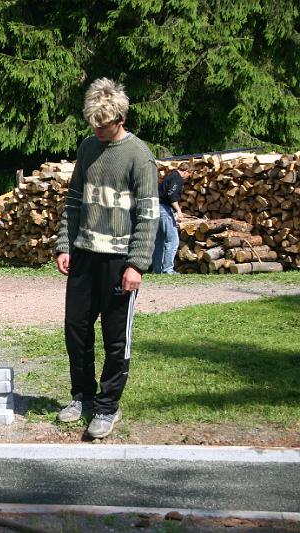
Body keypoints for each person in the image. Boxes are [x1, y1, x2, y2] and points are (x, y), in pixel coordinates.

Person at [53, 78, 159, 439]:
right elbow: (74, 201)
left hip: (119, 261)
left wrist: (136, 264)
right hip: (84, 254)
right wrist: (64, 244)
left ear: (120, 119)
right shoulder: (87, 148)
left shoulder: (139, 156)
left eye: (104, 125)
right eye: (93, 124)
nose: (98, 131)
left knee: (115, 338)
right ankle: (81, 396)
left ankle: (108, 406)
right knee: (76, 330)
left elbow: (148, 215)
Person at [152, 162, 191, 274]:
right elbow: (172, 195)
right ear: (186, 171)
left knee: (159, 240)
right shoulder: (177, 178)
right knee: (173, 240)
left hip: (156, 208)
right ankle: (168, 269)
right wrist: (178, 211)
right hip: (164, 209)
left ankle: (157, 269)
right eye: (189, 174)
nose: (188, 177)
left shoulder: (170, 175)